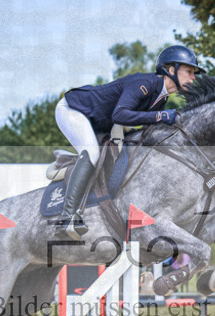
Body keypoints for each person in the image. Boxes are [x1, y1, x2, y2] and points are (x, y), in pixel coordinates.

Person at [53, 45, 205, 240]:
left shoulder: (161, 98)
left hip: (100, 122)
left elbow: (144, 127)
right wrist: (160, 116)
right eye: (189, 71)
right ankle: (67, 217)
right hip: (74, 110)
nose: (193, 78)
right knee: (92, 153)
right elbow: (120, 114)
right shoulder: (144, 84)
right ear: (171, 70)